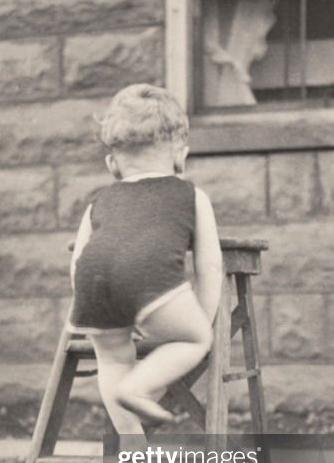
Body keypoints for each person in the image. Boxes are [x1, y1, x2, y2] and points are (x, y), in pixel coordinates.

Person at [69, 84, 223, 439]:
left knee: (112, 360)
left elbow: (78, 260)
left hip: (92, 285)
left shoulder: (100, 201)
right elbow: (210, 267)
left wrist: (94, 304)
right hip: (149, 280)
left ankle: (132, 442)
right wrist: (202, 320)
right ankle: (136, 390)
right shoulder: (191, 195)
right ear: (180, 156)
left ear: (112, 164)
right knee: (195, 340)